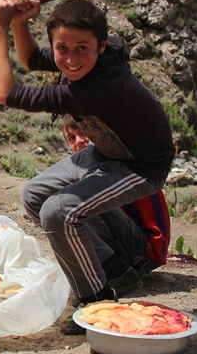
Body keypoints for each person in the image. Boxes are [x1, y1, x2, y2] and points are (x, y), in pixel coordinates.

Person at [0, 0, 175, 332]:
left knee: (59, 211)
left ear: (101, 46)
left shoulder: (97, 88)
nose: (71, 59)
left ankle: (96, 300)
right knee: (35, 196)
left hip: (140, 165)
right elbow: (31, 59)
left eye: (81, 49)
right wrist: (19, 23)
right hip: (106, 151)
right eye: (62, 48)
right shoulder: (85, 61)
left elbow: (6, 93)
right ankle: (115, 271)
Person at [62, 114, 170, 294]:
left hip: (146, 251)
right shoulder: (94, 164)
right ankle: (108, 264)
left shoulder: (114, 159)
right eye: (72, 138)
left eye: (83, 133)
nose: (79, 141)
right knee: (67, 202)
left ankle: (117, 269)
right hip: (134, 241)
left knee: (75, 201)